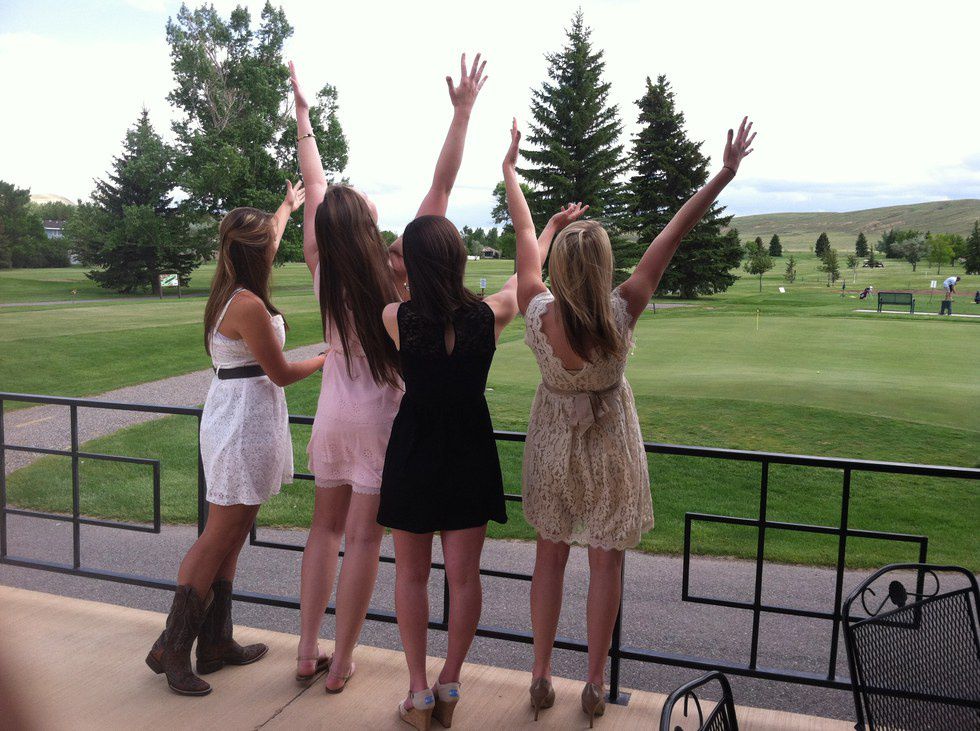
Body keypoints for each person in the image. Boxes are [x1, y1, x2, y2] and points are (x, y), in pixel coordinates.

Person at [504, 117, 755, 727]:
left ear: (559, 267)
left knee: (549, 557)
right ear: (603, 267)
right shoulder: (625, 307)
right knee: (606, 560)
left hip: (552, 442)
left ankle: (540, 672)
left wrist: (511, 171)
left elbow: (524, 230)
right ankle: (594, 680)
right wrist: (724, 173)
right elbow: (674, 231)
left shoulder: (536, 308)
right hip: (610, 442)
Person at [290, 54, 488, 692]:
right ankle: (341, 662)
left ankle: (306, 650)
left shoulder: (322, 268)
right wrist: (462, 114)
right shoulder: (396, 272)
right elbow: (442, 186)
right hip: (381, 422)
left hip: (331, 418)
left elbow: (314, 186)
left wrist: (303, 119)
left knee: (322, 531)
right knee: (362, 541)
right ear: (370, 225)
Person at [378, 205, 587, 728]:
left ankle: (418, 692)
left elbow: (396, 280)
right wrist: (549, 229)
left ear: (414, 265)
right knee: (465, 578)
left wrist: (400, 263)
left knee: (411, 576)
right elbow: (525, 274)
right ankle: (449, 682)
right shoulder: (490, 315)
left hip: (415, 449)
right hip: (470, 448)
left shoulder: (395, 317)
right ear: (458, 259)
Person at [146, 187, 326, 696]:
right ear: (257, 252)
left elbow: (270, 237)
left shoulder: (231, 288)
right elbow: (282, 372)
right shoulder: (246, 304)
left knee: (234, 529)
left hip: (245, 415)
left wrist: (287, 208)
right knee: (218, 534)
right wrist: (325, 359)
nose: (275, 246)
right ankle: (172, 647)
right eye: (269, 242)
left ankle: (216, 642)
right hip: (242, 421)